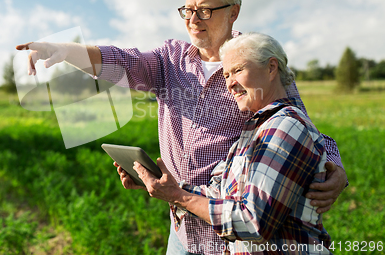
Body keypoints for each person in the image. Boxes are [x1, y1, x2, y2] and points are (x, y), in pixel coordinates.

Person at [16, 0, 346, 255]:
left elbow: (302, 127)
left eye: (204, 10)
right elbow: (122, 60)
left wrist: (336, 168)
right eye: (187, 10)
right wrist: (61, 49)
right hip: (181, 231)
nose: (192, 19)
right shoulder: (169, 60)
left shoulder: (255, 63)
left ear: (234, 11)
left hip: (231, 237)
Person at [133, 32, 332, 254]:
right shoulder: (254, 129)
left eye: (238, 70)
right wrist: (160, 185)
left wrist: (178, 197)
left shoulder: (285, 127)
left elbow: (252, 223)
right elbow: (222, 195)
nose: (230, 84)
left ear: (271, 68)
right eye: (226, 75)